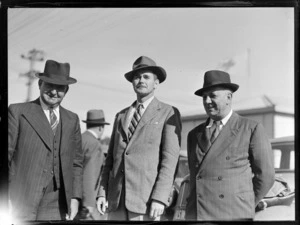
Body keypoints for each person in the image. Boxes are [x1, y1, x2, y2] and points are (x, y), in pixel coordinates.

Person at [96, 56, 182, 221]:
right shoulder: (121, 115)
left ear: (156, 83)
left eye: (146, 77)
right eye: (137, 77)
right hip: (116, 201)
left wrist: (160, 197)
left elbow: (170, 161)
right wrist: (102, 192)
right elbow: (110, 162)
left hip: (147, 203)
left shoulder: (168, 113)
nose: (141, 80)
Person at [185, 70, 275, 221]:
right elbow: (194, 178)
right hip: (198, 214)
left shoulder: (251, 129)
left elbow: (266, 176)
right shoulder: (194, 134)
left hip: (233, 214)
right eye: (204, 97)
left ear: (229, 97)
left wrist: (244, 204)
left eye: (212, 96)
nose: (207, 101)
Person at [8, 59, 83, 220]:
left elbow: (76, 162)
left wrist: (75, 197)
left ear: (66, 90)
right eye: (50, 85)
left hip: (57, 201)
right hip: (21, 197)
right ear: (40, 84)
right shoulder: (18, 112)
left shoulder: (72, 119)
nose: (54, 92)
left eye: (60, 88)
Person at [79, 109, 110, 220]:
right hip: (86, 202)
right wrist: (89, 204)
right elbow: (90, 174)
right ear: (101, 127)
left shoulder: (80, 139)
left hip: (75, 197)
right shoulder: (95, 144)